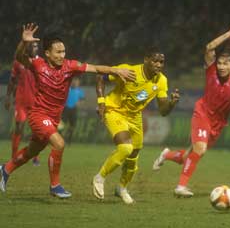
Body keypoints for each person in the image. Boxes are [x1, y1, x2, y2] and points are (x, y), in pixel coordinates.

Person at [0, 23, 136, 199]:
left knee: (32, 151)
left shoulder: (70, 66)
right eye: (58, 52)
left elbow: (95, 68)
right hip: (38, 115)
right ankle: (55, 186)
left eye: (63, 51)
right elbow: (19, 57)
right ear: (47, 53)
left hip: (54, 117)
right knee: (59, 144)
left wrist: (115, 70)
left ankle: (5, 169)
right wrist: (23, 42)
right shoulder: (38, 64)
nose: (62, 55)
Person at [152, 26, 230, 197]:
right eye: (220, 63)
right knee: (200, 150)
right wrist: (229, 35)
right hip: (202, 113)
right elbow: (209, 47)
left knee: (187, 156)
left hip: (217, 124)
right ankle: (180, 187)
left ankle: (167, 155)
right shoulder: (211, 71)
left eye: (225, 64)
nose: (221, 67)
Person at [92, 50, 180, 204]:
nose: (158, 65)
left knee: (133, 156)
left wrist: (172, 103)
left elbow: (163, 111)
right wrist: (101, 101)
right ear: (146, 60)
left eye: (161, 62)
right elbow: (100, 76)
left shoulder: (161, 81)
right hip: (114, 110)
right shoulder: (129, 71)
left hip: (135, 117)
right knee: (125, 148)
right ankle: (100, 177)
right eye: (155, 61)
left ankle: (122, 188)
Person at [4, 40, 41, 166]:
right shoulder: (18, 62)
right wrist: (8, 97)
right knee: (19, 127)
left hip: (36, 102)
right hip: (21, 102)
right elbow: (12, 80)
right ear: (28, 48)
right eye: (33, 46)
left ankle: (35, 156)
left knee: (37, 130)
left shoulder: (40, 62)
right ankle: (14, 156)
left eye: (37, 46)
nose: (36, 48)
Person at [62, 77, 85, 145]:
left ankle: (69, 140)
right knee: (62, 124)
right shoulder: (68, 89)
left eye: (77, 81)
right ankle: (60, 138)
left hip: (74, 110)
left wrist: (79, 103)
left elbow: (82, 100)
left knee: (72, 126)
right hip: (66, 109)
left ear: (79, 83)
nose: (75, 83)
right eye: (74, 81)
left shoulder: (80, 91)